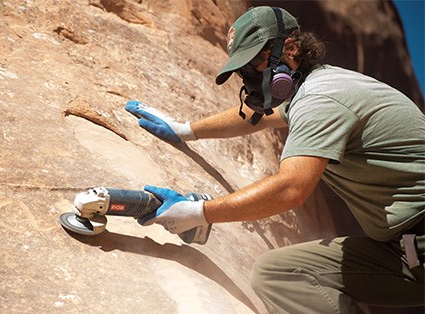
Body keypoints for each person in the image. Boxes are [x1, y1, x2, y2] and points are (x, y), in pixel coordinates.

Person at [125, 6, 425, 313]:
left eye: (255, 62)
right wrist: (186, 130)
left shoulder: (321, 98)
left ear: (291, 48)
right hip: (402, 249)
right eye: (242, 70)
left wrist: (198, 212)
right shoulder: (316, 88)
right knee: (277, 273)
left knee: (281, 276)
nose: (249, 76)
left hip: (417, 244)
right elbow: (260, 117)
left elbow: (291, 189)